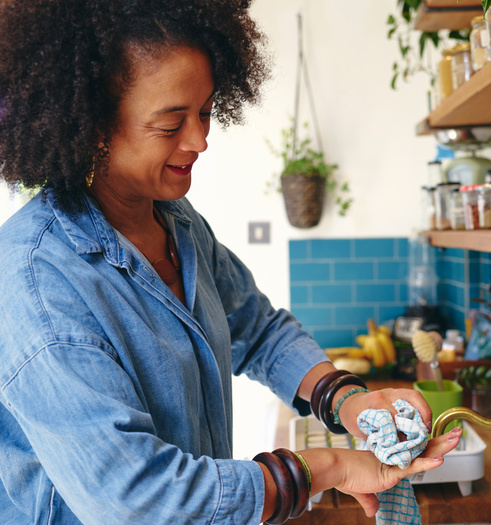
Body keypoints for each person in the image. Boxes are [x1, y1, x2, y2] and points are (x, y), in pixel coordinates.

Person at [0, 1, 461, 524]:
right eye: (171, 123)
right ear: (93, 126)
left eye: (205, 111)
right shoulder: (37, 284)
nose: (200, 139)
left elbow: (257, 330)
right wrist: (325, 468)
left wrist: (347, 401)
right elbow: (141, 500)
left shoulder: (177, 221)